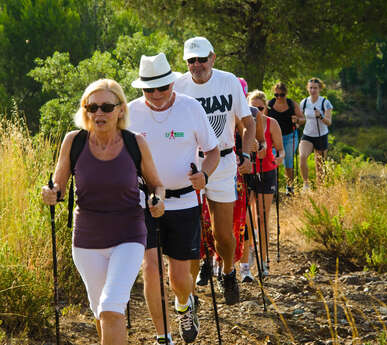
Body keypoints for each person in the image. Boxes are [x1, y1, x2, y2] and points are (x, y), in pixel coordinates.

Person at [41, 79, 165, 345]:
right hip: (87, 241)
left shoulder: (136, 143)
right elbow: (58, 187)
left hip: (129, 235)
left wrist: (157, 200)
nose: (98, 113)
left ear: (120, 110)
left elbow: (156, 184)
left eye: (106, 107)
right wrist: (50, 194)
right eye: (92, 106)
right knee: (101, 311)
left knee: (111, 306)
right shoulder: (73, 142)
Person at [128, 53, 220, 344]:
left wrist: (203, 175)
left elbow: (213, 151)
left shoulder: (191, 108)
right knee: (151, 268)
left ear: (171, 83)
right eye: (148, 89)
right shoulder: (129, 113)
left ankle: (184, 305)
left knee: (180, 279)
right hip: (146, 203)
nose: (156, 95)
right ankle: (162, 336)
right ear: (141, 89)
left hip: (184, 202)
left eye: (162, 88)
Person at [174, 36, 256, 305]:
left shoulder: (228, 81)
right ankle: (190, 295)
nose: (197, 65)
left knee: (223, 234)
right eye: (191, 60)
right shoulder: (178, 85)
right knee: (191, 232)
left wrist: (246, 152)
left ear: (213, 58)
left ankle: (228, 271)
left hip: (223, 162)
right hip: (190, 164)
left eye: (201, 59)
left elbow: (247, 122)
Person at [240, 90, 284, 280]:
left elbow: (280, 150)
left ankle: (264, 261)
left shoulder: (271, 123)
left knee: (262, 218)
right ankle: (249, 251)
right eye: (252, 108)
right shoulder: (243, 123)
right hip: (248, 173)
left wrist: (278, 160)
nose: (256, 111)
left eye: (260, 108)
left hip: (266, 172)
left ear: (265, 107)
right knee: (246, 218)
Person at [267, 82, 305, 195]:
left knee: (288, 162)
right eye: (276, 95)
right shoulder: (270, 104)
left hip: (290, 136)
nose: (279, 97)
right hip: (274, 138)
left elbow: (303, 119)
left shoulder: (291, 104)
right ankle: (272, 187)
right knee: (272, 162)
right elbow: (263, 118)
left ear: (285, 94)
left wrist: (297, 120)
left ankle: (290, 187)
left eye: (281, 95)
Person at [299, 77, 333, 190]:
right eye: (310, 88)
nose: (312, 90)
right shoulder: (304, 102)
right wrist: (297, 121)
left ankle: (321, 189)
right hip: (307, 135)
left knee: (320, 166)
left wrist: (320, 116)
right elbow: (301, 119)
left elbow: (329, 122)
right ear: (307, 89)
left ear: (319, 89)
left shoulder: (325, 102)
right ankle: (306, 184)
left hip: (321, 135)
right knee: (302, 157)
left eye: (315, 88)